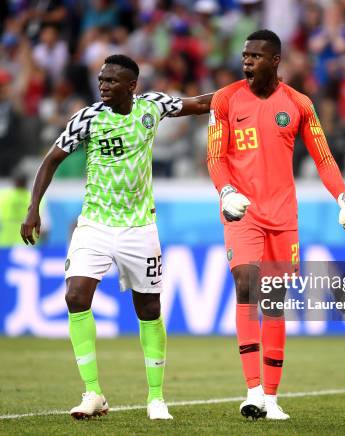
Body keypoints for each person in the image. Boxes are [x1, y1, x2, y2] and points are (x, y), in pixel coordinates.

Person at [20, 54, 212, 420]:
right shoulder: (87, 118)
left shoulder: (153, 106)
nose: (104, 86)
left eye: (111, 81)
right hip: (94, 223)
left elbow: (202, 103)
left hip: (140, 227)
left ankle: (156, 397)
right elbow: (50, 160)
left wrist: (246, 90)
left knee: (149, 309)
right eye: (102, 80)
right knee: (75, 295)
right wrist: (33, 208)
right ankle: (92, 392)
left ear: (132, 86)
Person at [206, 30, 345, 420]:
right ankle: (252, 390)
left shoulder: (298, 104)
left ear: (275, 60)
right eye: (245, 55)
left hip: (283, 218)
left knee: (274, 302)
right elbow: (214, 156)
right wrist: (226, 192)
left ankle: (272, 399)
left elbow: (323, 158)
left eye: (256, 56)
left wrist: (343, 197)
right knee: (245, 284)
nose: (247, 62)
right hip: (241, 211)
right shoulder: (225, 99)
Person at [0, 171, 50, 247]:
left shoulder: (1, 197)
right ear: (27, 182)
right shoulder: (38, 199)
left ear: (14, 181)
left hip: (4, 247)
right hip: (30, 250)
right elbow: (44, 230)